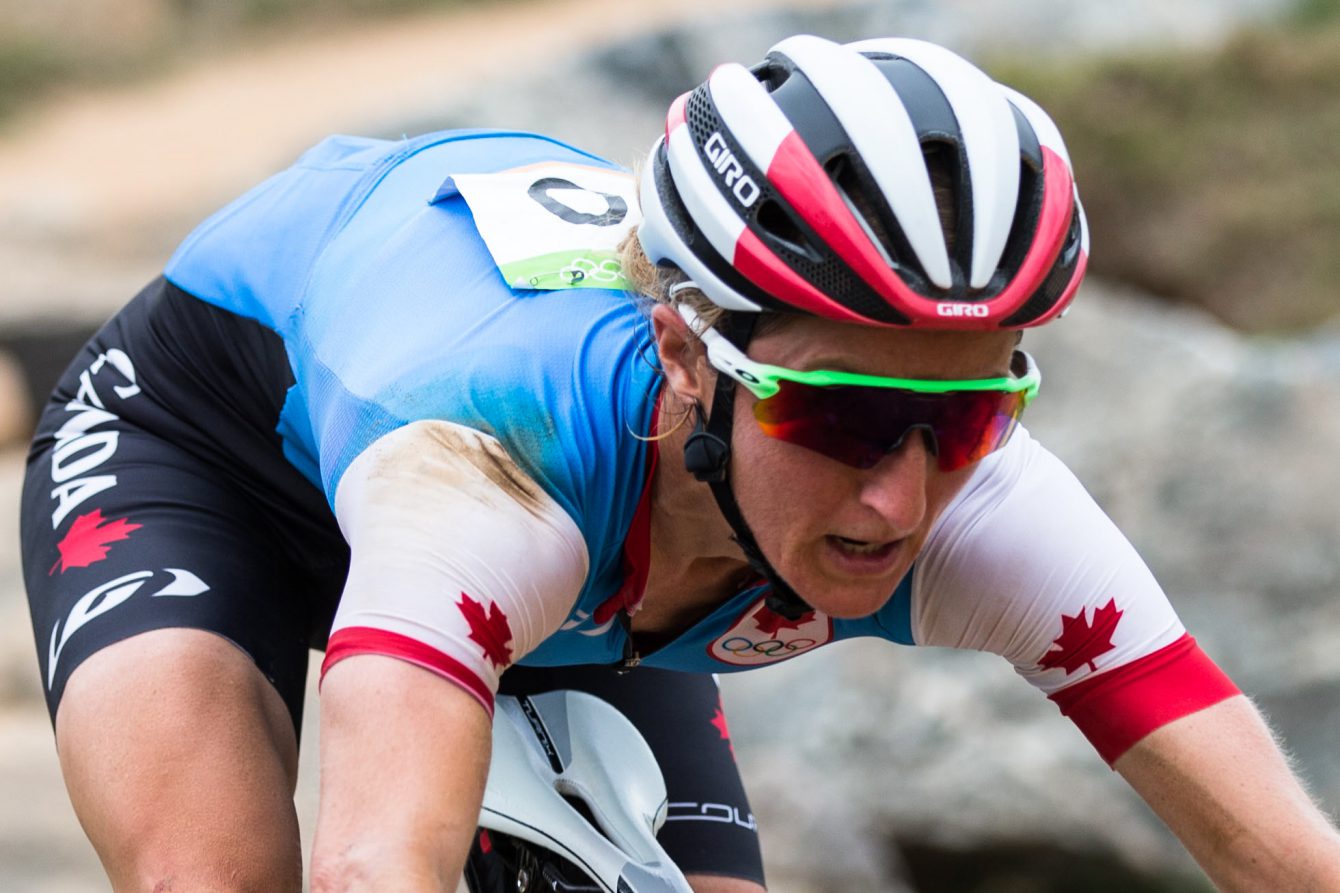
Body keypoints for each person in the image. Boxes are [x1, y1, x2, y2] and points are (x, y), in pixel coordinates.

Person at [19, 33, 1340, 893]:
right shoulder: (491, 463)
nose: (898, 495)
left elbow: (1280, 855)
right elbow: (375, 864)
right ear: (688, 358)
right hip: (213, 459)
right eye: (837, 417)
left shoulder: (986, 509)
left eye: (964, 420)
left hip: (600, 558)